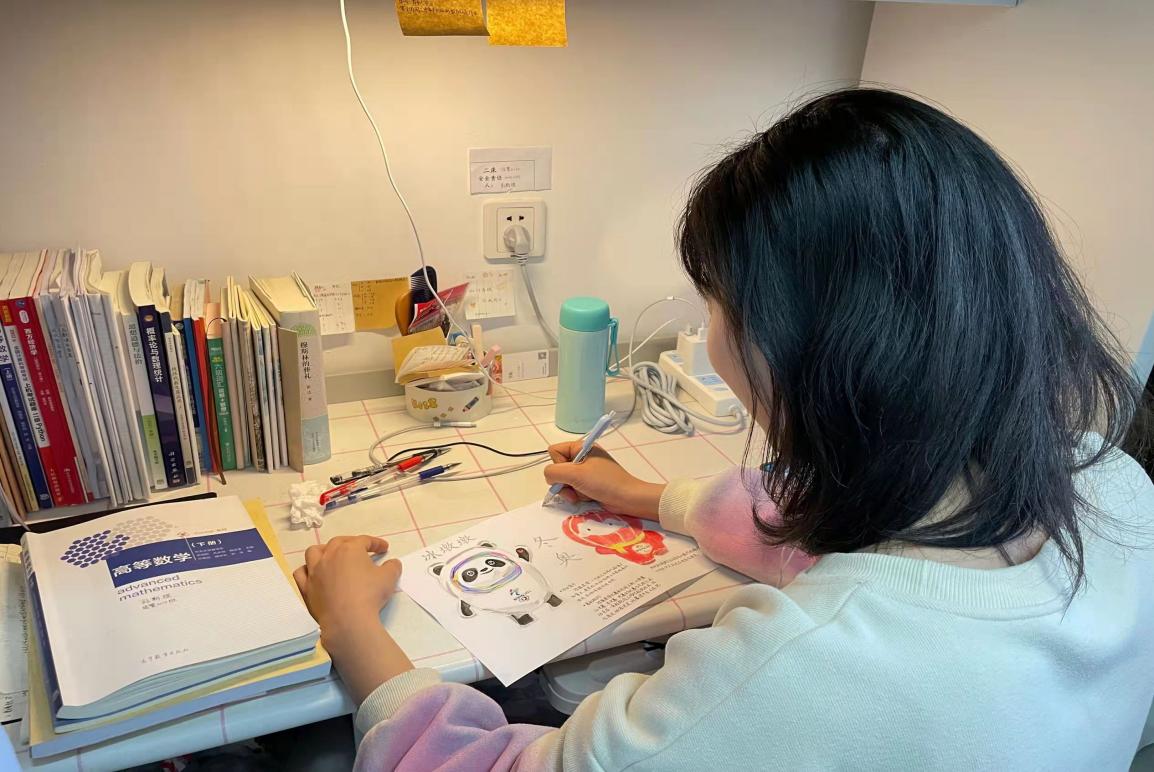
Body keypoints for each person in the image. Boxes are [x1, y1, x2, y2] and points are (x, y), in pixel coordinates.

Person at [294, 88, 1154, 770]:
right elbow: (809, 518)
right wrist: (647, 496)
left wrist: (354, 629)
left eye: (715, 305)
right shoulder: (1116, 488)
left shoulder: (799, 668)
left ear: (804, 350)